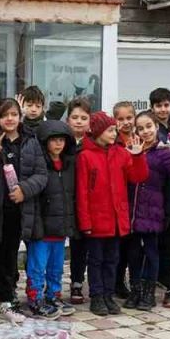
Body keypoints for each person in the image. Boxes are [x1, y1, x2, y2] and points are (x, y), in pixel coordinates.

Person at [0, 99, 47, 323]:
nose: (10, 118)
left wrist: (24, 190)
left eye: (14, 114)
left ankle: (6, 300)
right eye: (5, 114)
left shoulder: (30, 141)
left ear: (20, 116)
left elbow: (41, 174)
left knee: (9, 258)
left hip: (17, 211)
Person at [76, 112, 148, 316]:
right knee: (96, 259)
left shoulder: (121, 153)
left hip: (117, 219)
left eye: (114, 129)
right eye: (110, 129)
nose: (114, 132)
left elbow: (138, 176)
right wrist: (85, 221)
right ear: (98, 132)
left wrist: (137, 155)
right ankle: (96, 296)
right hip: (96, 219)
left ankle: (108, 294)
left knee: (112, 259)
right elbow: (82, 192)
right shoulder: (85, 156)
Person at [123, 111, 170, 310]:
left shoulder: (164, 151)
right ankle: (135, 290)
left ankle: (148, 293)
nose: (145, 131)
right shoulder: (131, 148)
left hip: (154, 209)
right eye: (140, 128)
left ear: (157, 127)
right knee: (133, 252)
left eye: (149, 126)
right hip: (132, 210)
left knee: (151, 251)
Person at [25, 120, 77, 316]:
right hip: (42, 229)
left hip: (60, 228)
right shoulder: (39, 166)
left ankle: (53, 295)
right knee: (37, 266)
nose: (58, 144)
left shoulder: (68, 165)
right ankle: (35, 298)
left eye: (62, 140)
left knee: (56, 267)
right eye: (54, 140)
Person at [65, 97, 93, 304]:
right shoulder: (61, 141)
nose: (79, 122)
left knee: (84, 244)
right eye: (74, 117)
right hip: (65, 199)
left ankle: (80, 282)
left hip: (88, 201)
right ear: (67, 120)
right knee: (68, 245)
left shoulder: (93, 144)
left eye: (84, 118)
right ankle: (68, 282)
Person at [110, 101, 138, 298]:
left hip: (137, 199)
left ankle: (128, 281)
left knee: (131, 247)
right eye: (120, 119)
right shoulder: (113, 141)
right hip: (119, 200)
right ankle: (115, 282)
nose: (125, 122)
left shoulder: (140, 138)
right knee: (117, 247)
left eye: (129, 118)